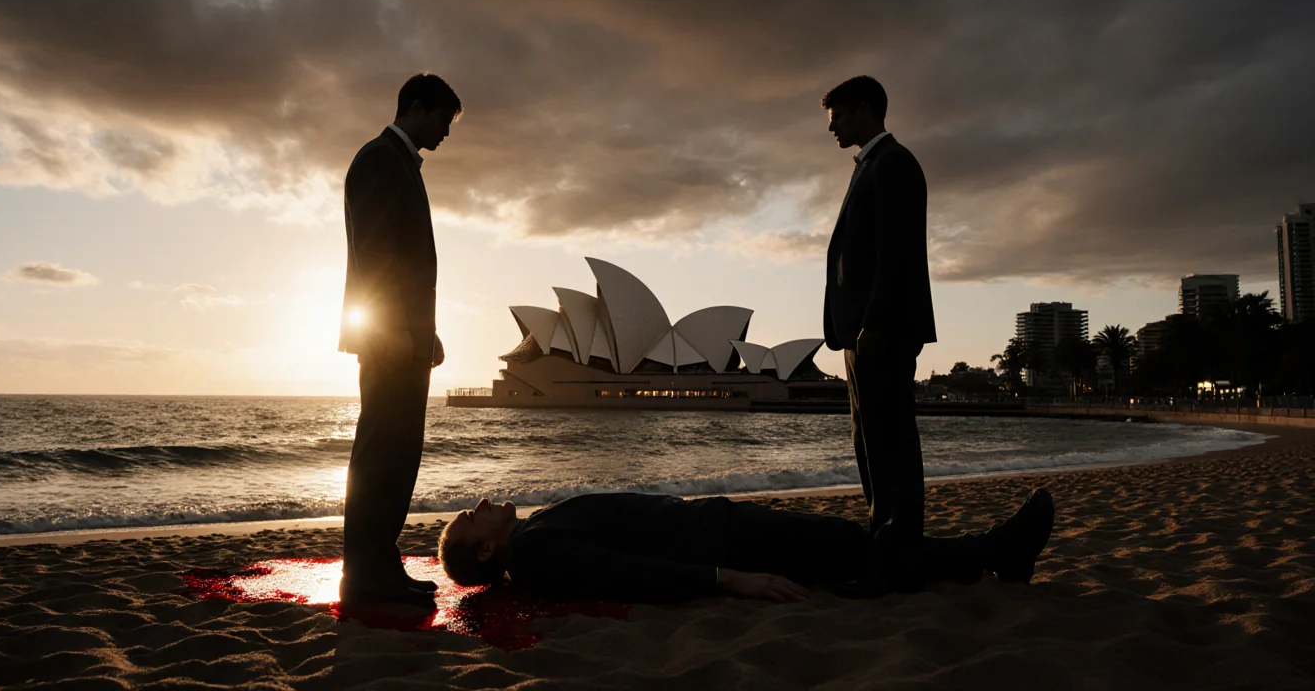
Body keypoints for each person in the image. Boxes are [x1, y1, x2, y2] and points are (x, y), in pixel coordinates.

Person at [437, 489, 1055, 603]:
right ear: (487, 551)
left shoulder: (533, 540)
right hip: (726, 544)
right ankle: (993, 551)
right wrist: (728, 578)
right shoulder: (537, 553)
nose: (482, 504)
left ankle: (987, 552)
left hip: (719, 530)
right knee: (847, 545)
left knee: (848, 545)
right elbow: (626, 572)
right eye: (473, 516)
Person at [337, 73, 461, 607]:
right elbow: (377, 255)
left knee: (399, 451)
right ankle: (365, 573)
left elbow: (405, 264)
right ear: (416, 107)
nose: (446, 134)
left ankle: (380, 562)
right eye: (443, 121)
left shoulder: (398, 161)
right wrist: (394, 330)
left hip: (405, 337)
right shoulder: (380, 159)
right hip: (389, 339)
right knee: (382, 451)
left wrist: (425, 332)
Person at [821, 76, 936, 554]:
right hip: (865, 329)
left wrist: (874, 322)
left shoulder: (893, 163)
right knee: (869, 441)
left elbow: (896, 253)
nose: (832, 129)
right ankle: (883, 540)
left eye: (838, 118)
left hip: (881, 329)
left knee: (888, 441)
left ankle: (896, 548)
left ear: (864, 110)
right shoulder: (872, 165)